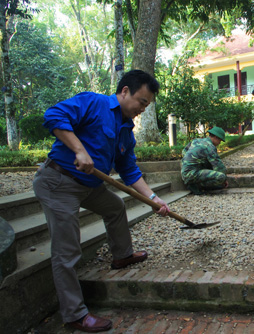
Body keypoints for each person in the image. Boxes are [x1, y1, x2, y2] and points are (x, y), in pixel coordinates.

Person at [32, 70, 170, 332]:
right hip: (58, 183)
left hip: (89, 186)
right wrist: (79, 150)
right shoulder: (93, 103)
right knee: (67, 249)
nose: (142, 108)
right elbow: (53, 115)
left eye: (147, 105)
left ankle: (122, 256)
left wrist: (153, 198)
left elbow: (129, 172)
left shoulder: (127, 131)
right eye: (141, 101)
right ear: (125, 91)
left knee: (115, 207)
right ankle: (74, 314)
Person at [181, 126, 228, 195]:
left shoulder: (196, 140)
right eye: (220, 140)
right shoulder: (210, 147)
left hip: (185, 172)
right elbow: (218, 166)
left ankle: (194, 184)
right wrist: (225, 179)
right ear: (215, 137)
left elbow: (184, 152)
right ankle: (197, 186)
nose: (219, 143)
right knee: (221, 177)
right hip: (192, 174)